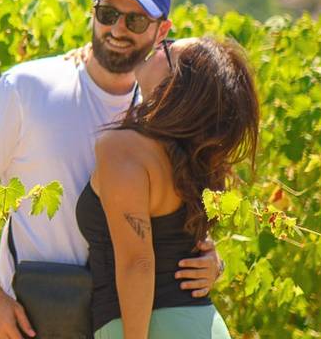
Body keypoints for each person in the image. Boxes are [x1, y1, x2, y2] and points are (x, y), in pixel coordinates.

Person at [0, 0, 222, 339]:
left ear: (162, 30)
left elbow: (180, 205)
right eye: (107, 14)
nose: (117, 29)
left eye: (135, 20)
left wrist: (210, 258)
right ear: (92, 13)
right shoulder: (28, 88)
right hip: (36, 320)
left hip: (129, 322)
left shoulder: (164, 110)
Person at [78, 36, 258, 338]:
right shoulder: (193, 159)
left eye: (168, 47)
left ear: (173, 84)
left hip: (144, 327)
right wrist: (218, 264)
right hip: (202, 324)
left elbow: (138, 262)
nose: (159, 43)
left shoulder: (123, 149)